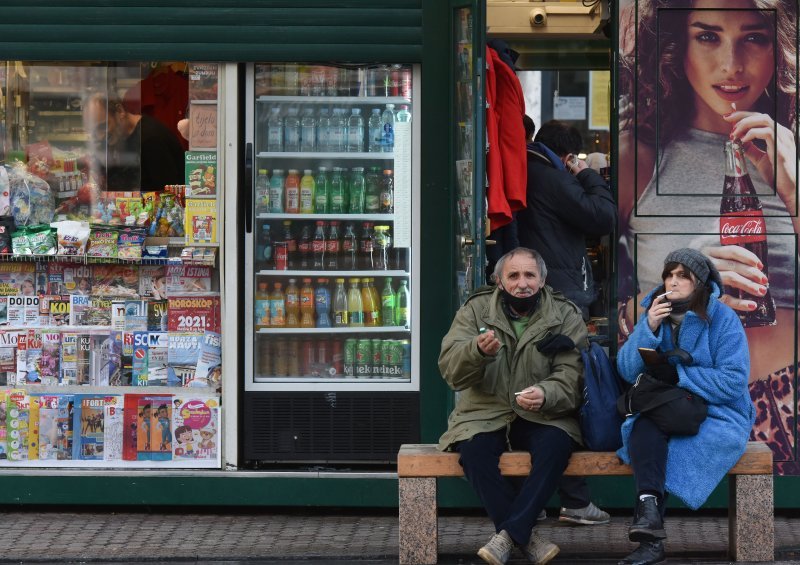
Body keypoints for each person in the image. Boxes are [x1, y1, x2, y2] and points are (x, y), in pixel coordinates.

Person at [617, 0, 799, 472]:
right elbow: (601, 305)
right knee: (701, 528)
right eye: (708, 36)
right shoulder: (638, 159)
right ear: (676, 45)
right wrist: (685, 281)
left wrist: (794, 187)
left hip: (793, 400)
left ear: (780, 47)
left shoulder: (792, 152)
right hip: (695, 400)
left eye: (754, 38)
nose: (731, 65)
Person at [438, 247, 587, 565]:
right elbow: (450, 370)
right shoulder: (475, 310)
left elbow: (572, 376)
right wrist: (475, 351)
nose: (523, 283)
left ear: (543, 279)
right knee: (474, 453)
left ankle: (507, 536)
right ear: (499, 281)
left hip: (544, 412)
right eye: (514, 276)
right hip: (484, 411)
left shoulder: (566, 315)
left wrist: (547, 393)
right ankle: (525, 536)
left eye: (530, 275)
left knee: (557, 445)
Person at [615, 248, 754, 565]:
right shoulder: (655, 312)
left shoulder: (723, 319)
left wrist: (679, 374)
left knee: (652, 434)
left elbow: (733, 381)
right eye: (668, 275)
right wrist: (647, 328)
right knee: (643, 425)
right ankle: (650, 528)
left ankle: (649, 535)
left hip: (718, 415)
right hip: (668, 408)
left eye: (682, 276)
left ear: (700, 283)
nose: (672, 282)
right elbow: (626, 370)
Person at [519, 118, 616, 525]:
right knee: (567, 395)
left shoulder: (529, 171)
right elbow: (603, 216)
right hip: (560, 298)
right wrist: (589, 174)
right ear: (565, 156)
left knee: (536, 392)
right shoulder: (552, 178)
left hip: (542, 291)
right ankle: (574, 500)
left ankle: (537, 495)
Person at [519, 120, 617, 320]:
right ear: (569, 157)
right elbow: (604, 217)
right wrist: (585, 173)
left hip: (536, 283)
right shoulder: (556, 180)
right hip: (562, 292)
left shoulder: (525, 170)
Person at [82, 92, 185, 191]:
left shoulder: (151, 139)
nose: (100, 136)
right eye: (94, 131)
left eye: (103, 126)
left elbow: (167, 193)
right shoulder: (119, 137)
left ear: (120, 111)